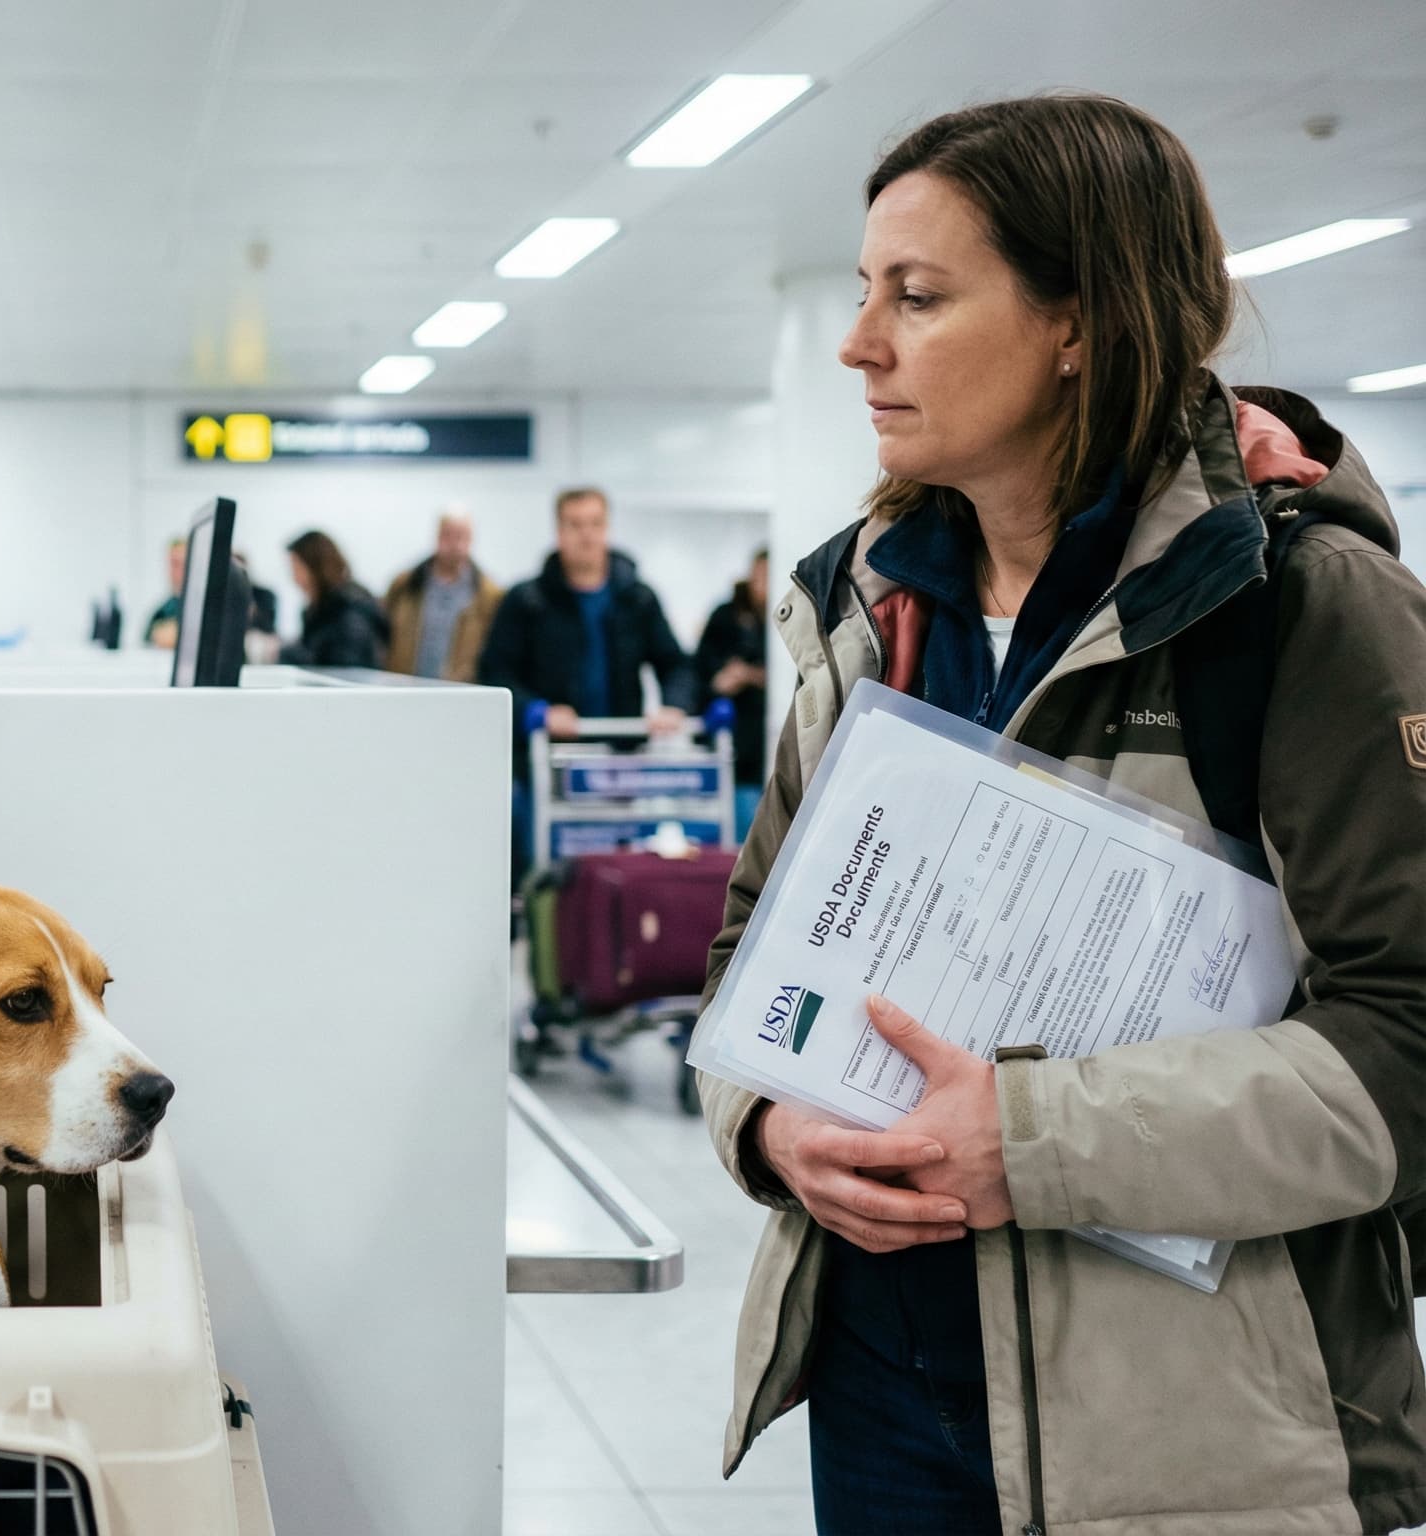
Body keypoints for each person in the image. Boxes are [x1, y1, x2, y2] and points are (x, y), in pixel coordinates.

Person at [700, 95, 1426, 1536]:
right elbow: (747, 959)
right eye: (862, 294)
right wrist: (771, 1127)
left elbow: (1409, 1043)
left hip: (1188, 1445)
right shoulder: (871, 605)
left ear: (1077, 323)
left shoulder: (1302, 612)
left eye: (917, 295)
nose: (860, 342)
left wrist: (1026, 1138)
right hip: (880, 1392)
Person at [475, 486, 695, 875]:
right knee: (545, 871)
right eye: (575, 525)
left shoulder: (637, 599)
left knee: (614, 870)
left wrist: (673, 704)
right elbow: (495, 672)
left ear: (607, 529)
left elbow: (675, 663)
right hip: (548, 764)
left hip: (618, 768)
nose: (586, 536)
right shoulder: (527, 601)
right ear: (558, 532)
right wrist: (539, 711)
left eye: (595, 524)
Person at [693, 547, 770, 838]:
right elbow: (700, 670)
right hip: (736, 745)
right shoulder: (726, 617)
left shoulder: (790, 618)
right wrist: (721, 681)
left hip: (771, 744)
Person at [382, 503, 504, 682]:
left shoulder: (489, 595)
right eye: (448, 535)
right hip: (404, 685)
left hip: (460, 693)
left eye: (461, 536)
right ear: (438, 536)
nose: (454, 544)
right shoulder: (406, 585)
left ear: (471, 539)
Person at [277, 530, 388, 669]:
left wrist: (281, 652)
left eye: (297, 569)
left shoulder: (350, 612)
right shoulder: (320, 610)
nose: (294, 578)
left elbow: (344, 670)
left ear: (315, 567)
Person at [144, 537, 186, 649]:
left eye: (181, 564)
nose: (176, 571)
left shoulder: (204, 605)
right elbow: (147, 639)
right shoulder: (163, 610)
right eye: (173, 564)